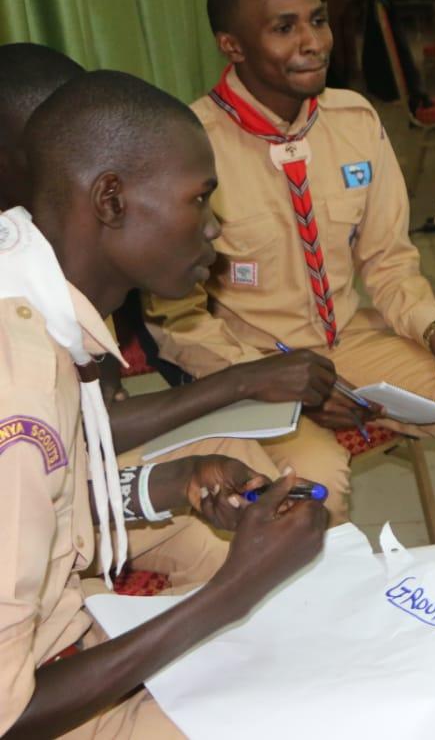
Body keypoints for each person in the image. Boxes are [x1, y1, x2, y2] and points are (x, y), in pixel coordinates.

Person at [145, 0, 435, 589]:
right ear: (232, 45)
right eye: (284, 28)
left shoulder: (354, 122)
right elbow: (176, 319)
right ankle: (335, 636)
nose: (312, 42)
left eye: (318, 21)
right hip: (252, 367)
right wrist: (278, 383)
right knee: (313, 489)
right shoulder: (189, 146)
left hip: (349, 341)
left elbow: (389, 260)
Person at [0, 68, 329, 738]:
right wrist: (233, 589)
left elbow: (42, 505)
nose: (213, 230)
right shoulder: (23, 389)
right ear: (111, 199)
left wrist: (165, 482)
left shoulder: (33, 287)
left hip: (60, 626)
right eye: (199, 199)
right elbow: (11, 713)